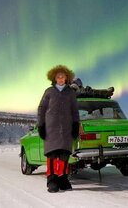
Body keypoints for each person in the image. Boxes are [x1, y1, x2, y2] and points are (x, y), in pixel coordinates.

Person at [37, 64, 80, 193]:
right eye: (58, 76)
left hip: (66, 129)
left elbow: (75, 111)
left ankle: (63, 179)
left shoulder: (70, 93)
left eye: (63, 76)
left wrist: (76, 125)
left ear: (67, 78)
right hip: (51, 128)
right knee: (52, 154)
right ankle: (52, 181)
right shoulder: (49, 91)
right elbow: (41, 109)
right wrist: (41, 125)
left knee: (64, 154)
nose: (61, 78)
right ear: (54, 78)